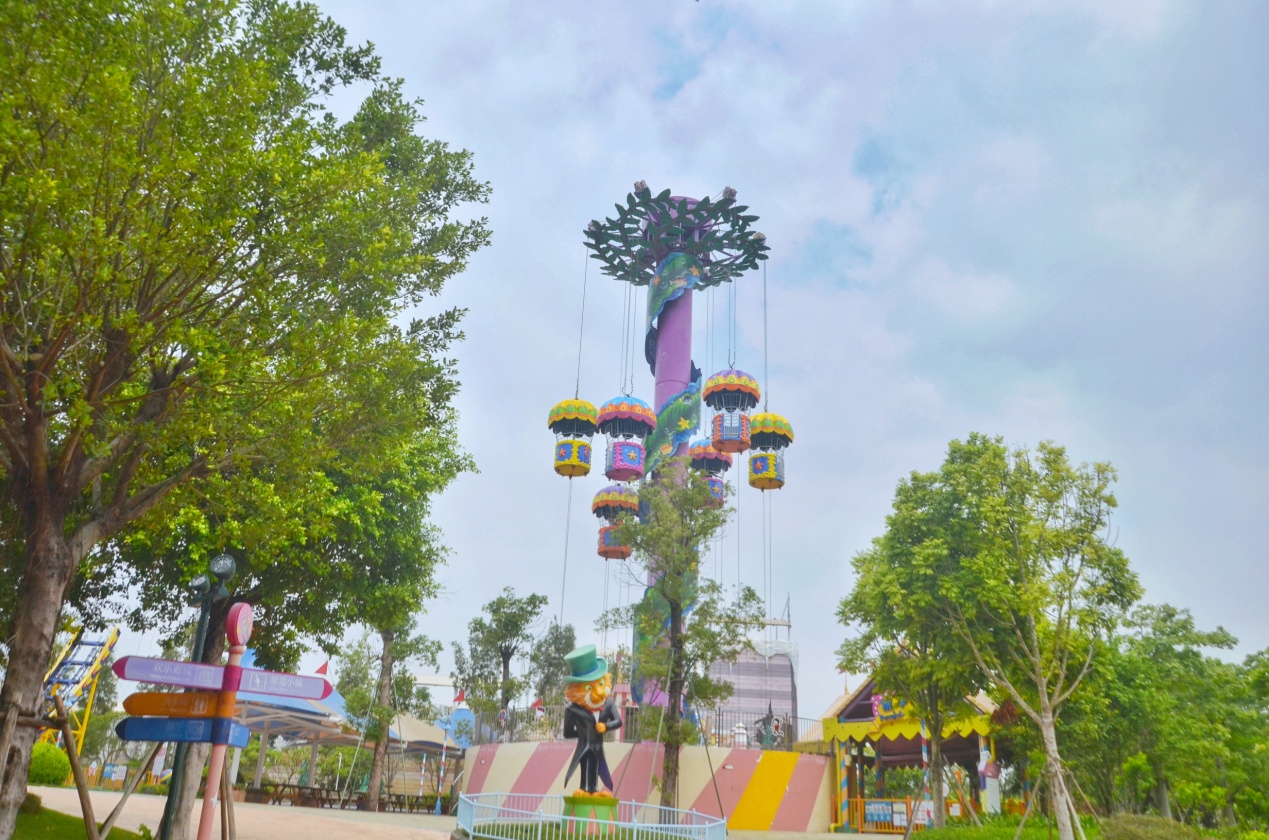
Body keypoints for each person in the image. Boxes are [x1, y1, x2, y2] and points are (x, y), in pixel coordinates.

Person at [562, 645, 622, 797]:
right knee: (586, 764)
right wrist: (583, 733)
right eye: (589, 687)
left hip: (598, 746)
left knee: (597, 765)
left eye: (601, 684)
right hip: (584, 746)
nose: (599, 692)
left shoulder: (608, 704)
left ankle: (594, 790)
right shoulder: (572, 710)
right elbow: (567, 733)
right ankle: (584, 788)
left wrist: (606, 726)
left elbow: (618, 721)